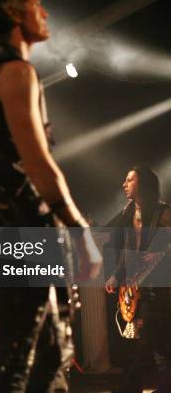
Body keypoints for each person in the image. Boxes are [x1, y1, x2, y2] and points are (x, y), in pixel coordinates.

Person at [0, 0, 102, 391]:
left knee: (51, 351)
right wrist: (79, 229)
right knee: (18, 356)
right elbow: (38, 162)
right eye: (36, 3)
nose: (44, 11)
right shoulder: (16, 73)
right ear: (14, 11)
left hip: (5, 222)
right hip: (20, 222)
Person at [105, 166, 171, 393]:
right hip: (138, 287)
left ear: (143, 184)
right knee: (151, 341)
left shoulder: (163, 213)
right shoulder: (128, 212)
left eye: (129, 179)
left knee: (151, 340)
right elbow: (128, 249)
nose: (124, 184)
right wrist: (117, 275)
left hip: (159, 287)